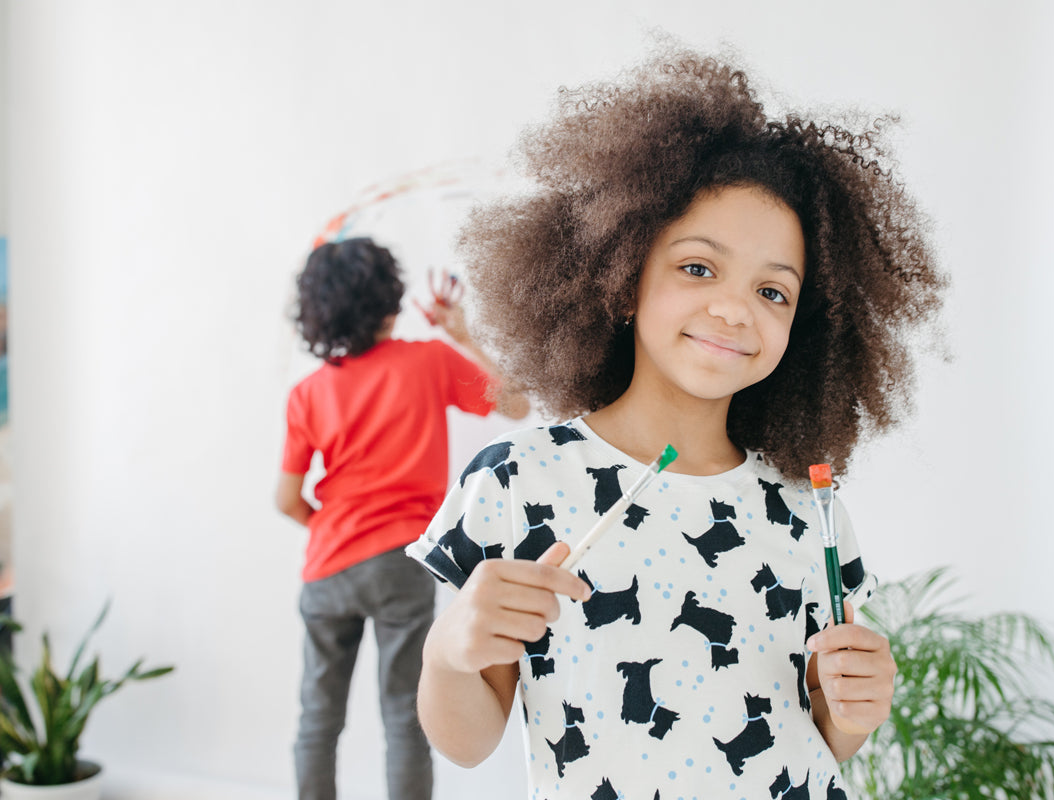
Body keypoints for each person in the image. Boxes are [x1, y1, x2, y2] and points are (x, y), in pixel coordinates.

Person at [406, 49, 944, 799]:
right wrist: (448, 651)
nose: (734, 309)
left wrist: (855, 708)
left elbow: (818, 743)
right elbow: (465, 744)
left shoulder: (809, 512)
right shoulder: (520, 482)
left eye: (773, 291)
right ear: (624, 274)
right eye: (698, 268)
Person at [276, 237, 528, 800]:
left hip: (326, 567)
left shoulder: (308, 393)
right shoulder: (428, 361)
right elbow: (515, 403)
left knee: (318, 719)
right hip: (399, 565)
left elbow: (286, 499)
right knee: (405, 719)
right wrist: (460, 333)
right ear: (389, 300)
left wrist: (327, 526)